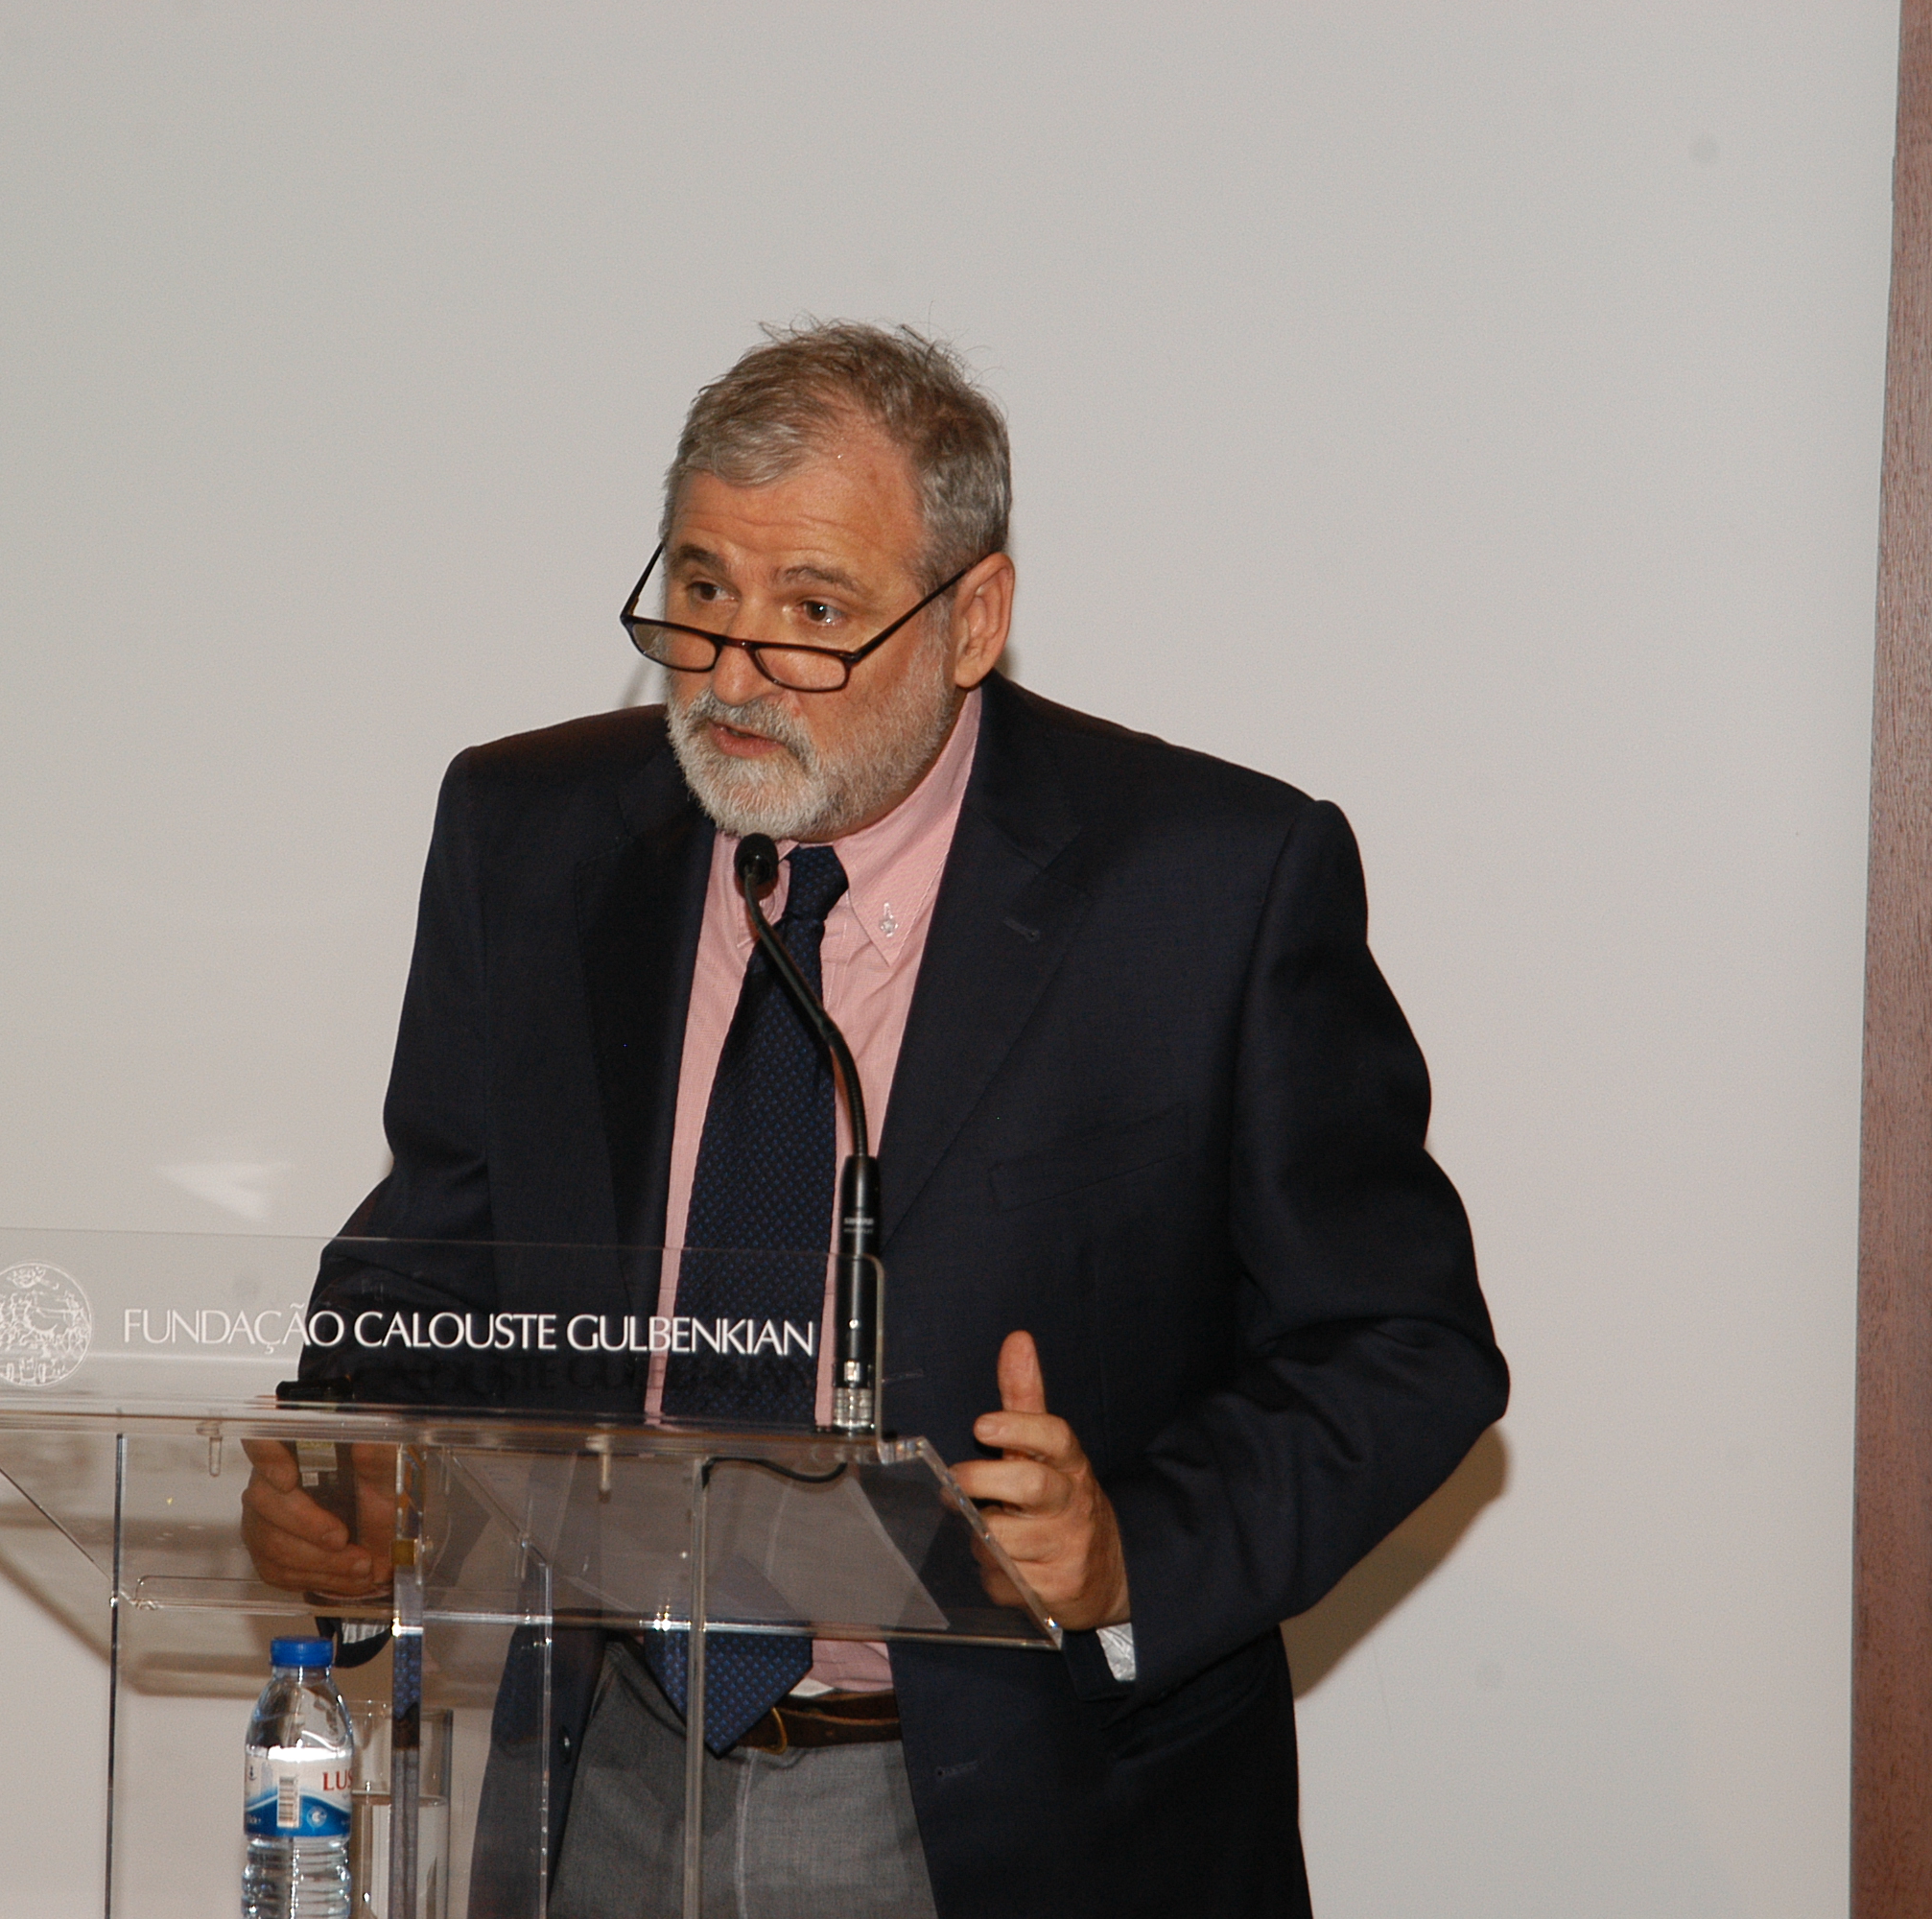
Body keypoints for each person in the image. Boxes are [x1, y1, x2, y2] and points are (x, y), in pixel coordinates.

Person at [241, 322, 1506, 1917]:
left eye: (816, 613)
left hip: (1024, 1808)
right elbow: (438, 1246)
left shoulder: (1209, 885)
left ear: (973, 616)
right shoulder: (531, 835)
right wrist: (354, 1466)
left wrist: (1132, 1554)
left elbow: (1402, 1347)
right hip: (609, 1774)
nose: (735, 671)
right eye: (701, 594)